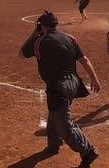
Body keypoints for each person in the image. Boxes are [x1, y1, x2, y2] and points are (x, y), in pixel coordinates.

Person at [19, 10, 101, 168]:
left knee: (64, 123)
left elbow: (21, 54)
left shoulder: (39, 41)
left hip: (59, 86)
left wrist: (34, 33)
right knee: (55, 113)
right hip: (74, 83)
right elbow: (84, 59)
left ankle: (88, 151)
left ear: (42, 26)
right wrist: (94, 78)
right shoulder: (70, 38)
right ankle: (54, 144)